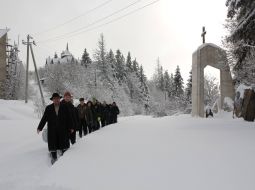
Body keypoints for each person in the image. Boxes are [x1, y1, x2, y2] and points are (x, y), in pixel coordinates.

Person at [37, 93, 74, 164]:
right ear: (52, 100)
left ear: (59, 99)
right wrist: (40, 128)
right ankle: (54, 158)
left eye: (57, 98)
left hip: (63, 129)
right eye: (54, 99)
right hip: (52, 130)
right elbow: (44, 118)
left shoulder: (64, 106)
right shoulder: (48, 108)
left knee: (63, 144)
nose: (56, 100)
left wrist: (71, 127)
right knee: (53, 144)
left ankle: (65, 159)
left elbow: (69, 118)